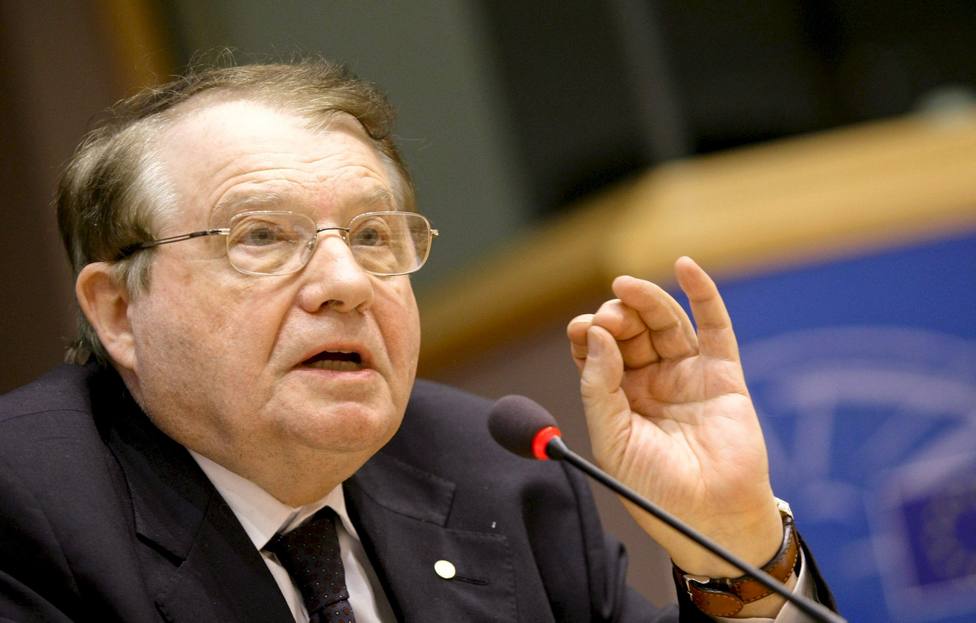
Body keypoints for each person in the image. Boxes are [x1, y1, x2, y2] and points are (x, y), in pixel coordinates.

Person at [0, 60, 835, 622]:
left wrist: (734, 542)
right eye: (261, 236)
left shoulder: (498, 474)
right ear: (119, 311)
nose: (346, 281)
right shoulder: (28, 512)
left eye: (372, 236)